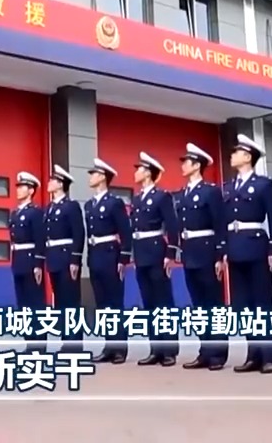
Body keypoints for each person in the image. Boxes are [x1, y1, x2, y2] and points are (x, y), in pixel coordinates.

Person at [224, 134, 272, 374]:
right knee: (244, 305)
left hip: (257, 246)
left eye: (236, 152)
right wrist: (224, 249)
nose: (232, 155)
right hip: (235, 247)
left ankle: (268, 356)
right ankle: (252, 354)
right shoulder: (228, 187)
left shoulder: (263, 184)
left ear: (248, 156)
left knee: (262, 303)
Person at [176, 143, 229, 370]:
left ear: (197, 165)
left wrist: (219, 255)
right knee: (198, 305)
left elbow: (220, 223)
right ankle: (204, 351)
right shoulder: (183, 193)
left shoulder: (210, 191)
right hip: (190, 252)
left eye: (186, 162)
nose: (183, 166)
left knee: (213, 304)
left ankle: (218, 353)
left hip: (207, 252)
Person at [131, 152, 181, 366]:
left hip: (156, 252)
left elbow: (172, 226)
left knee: (163, 302)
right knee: (149, 302)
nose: (136, 173)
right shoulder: (136, 198)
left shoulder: (162, 196)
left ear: (148, 173)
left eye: (140, 169)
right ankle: (155, 348)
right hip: (141, 253)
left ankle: (169, 350)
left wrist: (170, 253)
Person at [85, 158, 132, 364]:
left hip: (110, 255)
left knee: (114, 303)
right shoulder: (89, 205)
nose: (91, 177)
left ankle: (120, 348)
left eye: (94, 174)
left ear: (103, 177)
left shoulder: (114, 203)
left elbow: (125, 232)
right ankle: (108, 346)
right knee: (102, 304)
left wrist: (123, 258)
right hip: (95, 256)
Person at [44, 164, 86, 353]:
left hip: (67, 257)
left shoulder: (71, 206)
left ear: (61, 184)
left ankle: (75, 344)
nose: (49, 182)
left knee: (71, 302)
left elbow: (79, 233)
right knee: (60, 303)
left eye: (53, 180)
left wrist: (75, 260)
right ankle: (65, 341)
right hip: (54, 258)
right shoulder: (50, 208)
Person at [9, 171, 47, 353]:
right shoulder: (15, 213)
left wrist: (38, 264)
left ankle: (39, 344)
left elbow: (40, 239)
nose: (18, 190)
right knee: (23, 305)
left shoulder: (35, 213)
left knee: (35, 304)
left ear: (31, 190)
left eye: (22, 187)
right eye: (18, 187)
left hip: (31, 261)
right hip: (18, 261)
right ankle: (29, 342)